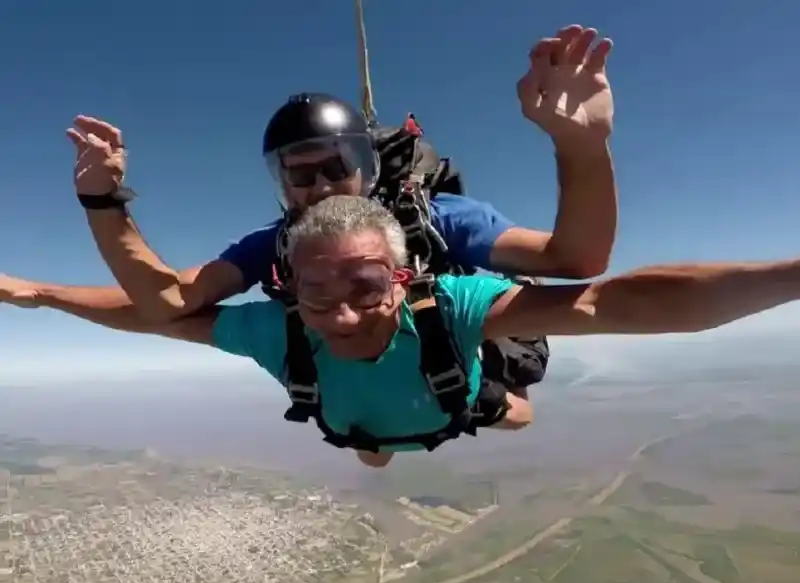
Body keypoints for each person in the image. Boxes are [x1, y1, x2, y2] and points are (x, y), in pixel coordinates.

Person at [1, 25, 619, 430]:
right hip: (353, 359)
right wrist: (101, 203)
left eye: (334, 167)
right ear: (279, 183)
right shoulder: (274, 243)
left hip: (449, 345)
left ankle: (459, 398)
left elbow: (574, 260)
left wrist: (582, 147)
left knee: (512, 417)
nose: (318, 187)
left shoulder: (434, 218)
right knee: (368, 445)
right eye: (298, 176)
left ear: (367, 165)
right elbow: (167, 302)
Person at [64, 194, 800, 468]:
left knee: (505, 409)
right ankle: (415, 428)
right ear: (287, 288)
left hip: (451, 398)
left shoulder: (456, 304)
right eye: (314, 291)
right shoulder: (279, 330)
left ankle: (483, 402)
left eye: (365, 287)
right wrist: (32, 293)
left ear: (403, 282)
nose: (336, 312)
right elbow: (151, 314)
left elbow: (611, 302)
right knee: (368, 449)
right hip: (363, 426)